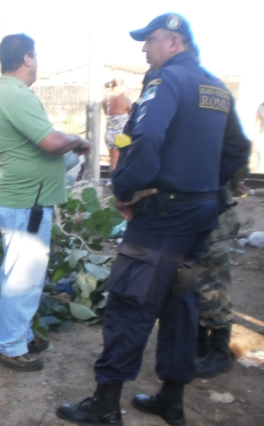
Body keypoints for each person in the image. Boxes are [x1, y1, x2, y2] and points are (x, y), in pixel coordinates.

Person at [56, 14, 251, 426]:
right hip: (200, 214)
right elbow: (237, 149)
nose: (145, 48)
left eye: (151, 40)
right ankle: (171, 399)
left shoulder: (167, 81)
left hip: (164, 218)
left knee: (131, 302)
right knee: (181, 303)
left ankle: (105, 405)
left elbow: (145, 137)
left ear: (174, 42)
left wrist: (126, 187)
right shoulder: (216, 87)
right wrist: (205, 187)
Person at [0, 33, 90, 372]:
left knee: (22, 274)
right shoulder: (16, 95)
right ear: (27, 58)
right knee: (22, 278)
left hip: (23, 200)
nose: (37, 63)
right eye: (36, 56)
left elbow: (35, 151)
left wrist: (69, 154)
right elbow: (52, 142)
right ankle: (12, 346)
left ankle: (21, 335)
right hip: (25, 204)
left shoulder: (6, 93)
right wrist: (77, 139)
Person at [195, 168, 249, 379]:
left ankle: (219, 352)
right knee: (192, 282)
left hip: (213, 215)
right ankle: (199, 345)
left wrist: (229, 182)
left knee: (213, 285)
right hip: (196, 210)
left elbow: (238, 156)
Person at [101, 78, 132, 172]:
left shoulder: (104, 100)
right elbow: (134, 113)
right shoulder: (124, 100)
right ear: (118, 87)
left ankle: (113, 180)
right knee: (126, 161)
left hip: (109, 134)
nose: (125, 89)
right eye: (124, 87)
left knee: (113, 162)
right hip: (122, 135)